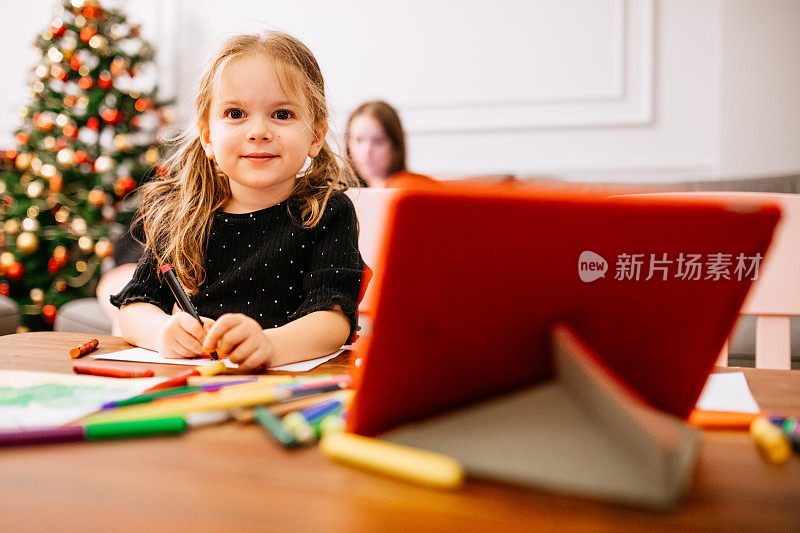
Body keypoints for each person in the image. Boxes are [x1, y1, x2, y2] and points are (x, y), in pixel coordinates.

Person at [110, 31, 364, 371]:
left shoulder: (327, 211)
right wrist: (163, 333)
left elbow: (333, 321)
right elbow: (134, 306)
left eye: (282, 114)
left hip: (291, 389)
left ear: (315, 136)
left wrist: (269, 345)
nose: (258, 131)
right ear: (208, 136)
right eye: (235, 113)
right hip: (197, 385)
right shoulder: (182, 213)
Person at [345, 100, 435, 188]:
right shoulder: (339, 192)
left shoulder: (417, 188)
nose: (367, 150)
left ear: (395, 146)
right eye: (359, 140)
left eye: (378, 141)